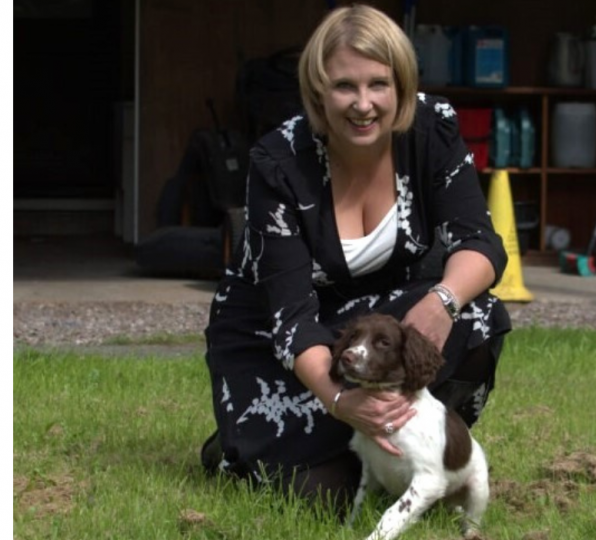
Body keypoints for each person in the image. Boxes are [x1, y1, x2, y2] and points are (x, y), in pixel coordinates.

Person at [202, 4, 510, 514]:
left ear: (402, 86)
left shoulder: (432, 129)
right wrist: (344, 402)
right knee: (326, 497)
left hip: (370, 321)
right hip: (273, 336)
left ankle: (415, 449)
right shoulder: (277, 162)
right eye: (345, 86)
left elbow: (480, 243)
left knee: (476, 313)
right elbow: (292, 321)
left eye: (378, 85)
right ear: (319, 91)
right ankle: (237, 448)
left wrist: (441, 301)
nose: (363, 104)